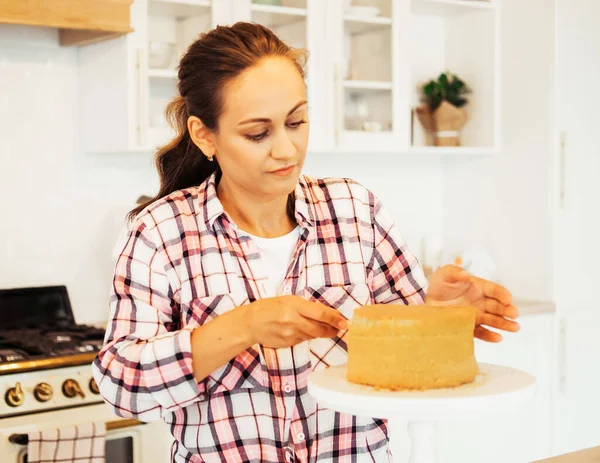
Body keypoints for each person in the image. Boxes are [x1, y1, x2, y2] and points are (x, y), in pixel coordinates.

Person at [92, 22, 520, 463]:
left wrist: (440, 312)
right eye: (258, 133)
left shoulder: (355, 209)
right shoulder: (160, 232)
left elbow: (408, 351)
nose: (287, 150)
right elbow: (121, 387)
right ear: (205, 135)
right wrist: (243, 327)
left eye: (296, 122)